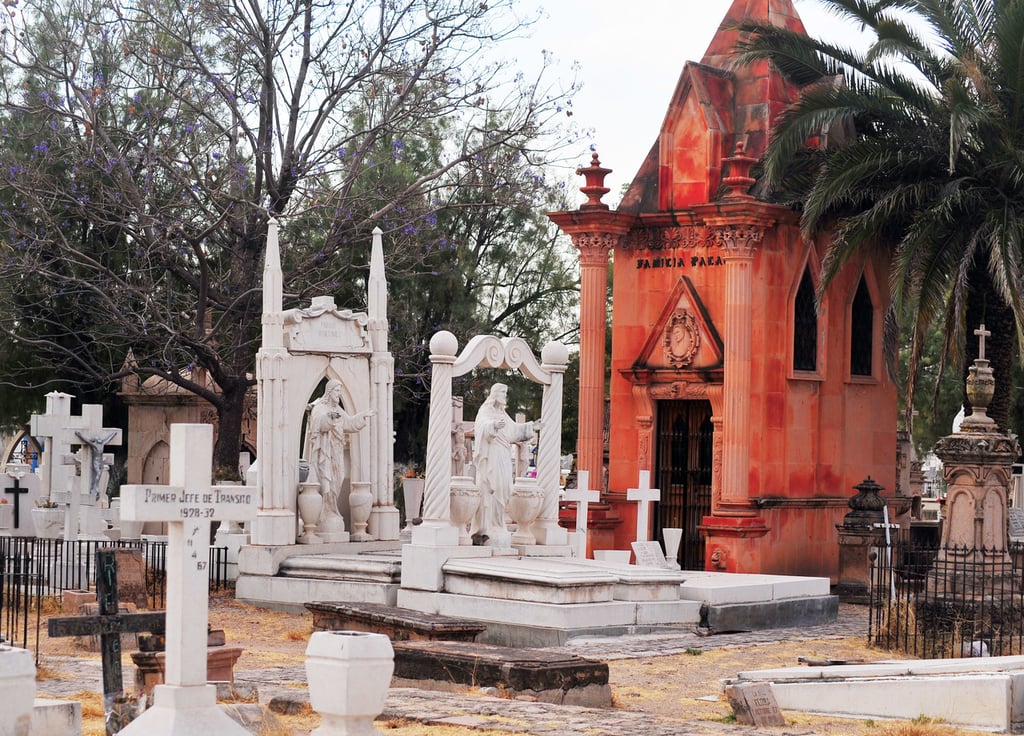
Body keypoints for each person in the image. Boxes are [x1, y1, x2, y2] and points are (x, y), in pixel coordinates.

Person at [470, 383, 539, 545]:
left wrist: (531, 426)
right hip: (491, 455)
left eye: (505, 393)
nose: (504, 396)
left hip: (503, 455)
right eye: (502, 393)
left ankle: (498, 522)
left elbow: (514, 430)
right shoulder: (485, 411)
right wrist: (492, 426)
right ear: (494, 394)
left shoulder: (502, 413)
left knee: (504, 488)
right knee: (491, 488)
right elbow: (480, 427)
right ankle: (487, 526)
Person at [306, 380, 374, 531]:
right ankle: (324, 513)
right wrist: (329, 418)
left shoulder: (338, 409)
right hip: (325, 451)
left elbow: (349, 423)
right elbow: (317, 423)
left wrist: (362, 416)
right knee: (327, 481)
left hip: (337, 450)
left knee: (338, 478)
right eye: (337, 391)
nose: (339, 394)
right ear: (329, 392)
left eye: (340, 391)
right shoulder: (320, 408)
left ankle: (332, 510)